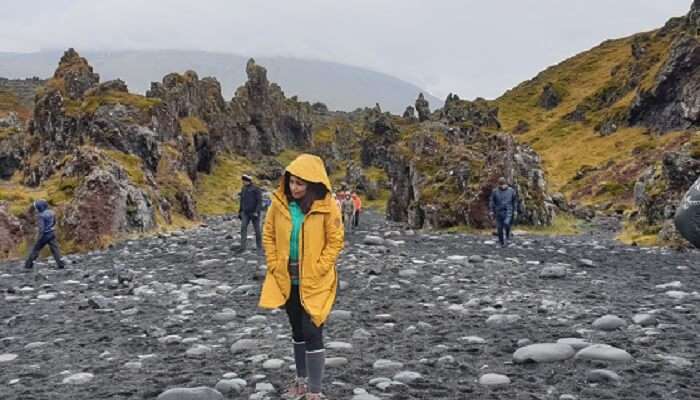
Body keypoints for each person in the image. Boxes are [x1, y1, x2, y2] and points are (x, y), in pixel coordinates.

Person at [259, 154, 344, 400]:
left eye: (300, 183)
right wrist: (275, 265)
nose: (294, 188)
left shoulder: (327, 206)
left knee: (312, 330)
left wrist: (319, 268)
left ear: (312, 184)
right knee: (297, 330)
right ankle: (301, 382)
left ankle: (315, 393)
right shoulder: (279, 203)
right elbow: (268, 235)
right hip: (288, 279)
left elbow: (336, 240)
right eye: (292, 182)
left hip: (316, 281)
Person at [24, 199, 66, 270]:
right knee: (55, 249)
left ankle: (28, 265)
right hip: (52, 233)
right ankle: (61, 264)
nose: (36, 209)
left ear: (39, 207)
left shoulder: (41, 216)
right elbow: (54, 222)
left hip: (44, 235)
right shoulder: (52, 212)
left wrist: (38, 238)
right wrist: (51, 228)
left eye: (36, 207)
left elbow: (41, 229)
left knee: (35, 249)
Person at [237, 174, 263, 254]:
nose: (243, 182)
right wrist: (240, 211)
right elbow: (242, 201)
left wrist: (256, 211)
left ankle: (259, 247)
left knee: (257, 230)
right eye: (243, 180)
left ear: (249, 180)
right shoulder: (243, 188)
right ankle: (242, 247)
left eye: (245, 180)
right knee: (243, 228)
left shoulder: (256, 189)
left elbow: (259, 201)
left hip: (254, 213)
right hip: (245, 213)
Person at [489, 177, 518, 247]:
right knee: (499, 227)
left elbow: (514, 201)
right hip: (498, 211)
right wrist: (491, 211)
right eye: (501, 185)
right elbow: (492, 201)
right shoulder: (495, 191)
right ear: (498, 185)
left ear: (506, 184)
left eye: (504, 184)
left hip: (508, 211)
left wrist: (515, 210)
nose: (502, 186)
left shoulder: (511, 191)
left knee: (507, 224)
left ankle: (507, 237)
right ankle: (501, 242)